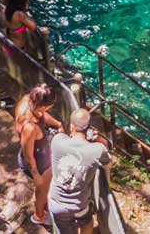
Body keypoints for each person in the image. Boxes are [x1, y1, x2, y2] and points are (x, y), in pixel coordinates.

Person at [47, 108, 113, 234]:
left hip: (56, 203)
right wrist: (98, 139)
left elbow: (61, 135)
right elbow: (109, 162)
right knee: (87, 224)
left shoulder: (57, 141)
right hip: (79, 205)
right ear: (89, 129)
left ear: (71, 127)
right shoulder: (97, 150)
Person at [16, 84, 62, 227]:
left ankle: (44, 204)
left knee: (45, 188)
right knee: (42, 190)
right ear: (44, 106)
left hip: (39, 152)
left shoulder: (27, 101)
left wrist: (57, 124)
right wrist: (37, 177)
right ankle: (39, 216)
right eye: (49, 106)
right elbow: (28, 156)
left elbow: (42, 115)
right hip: (37, 162)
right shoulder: (30, 127)